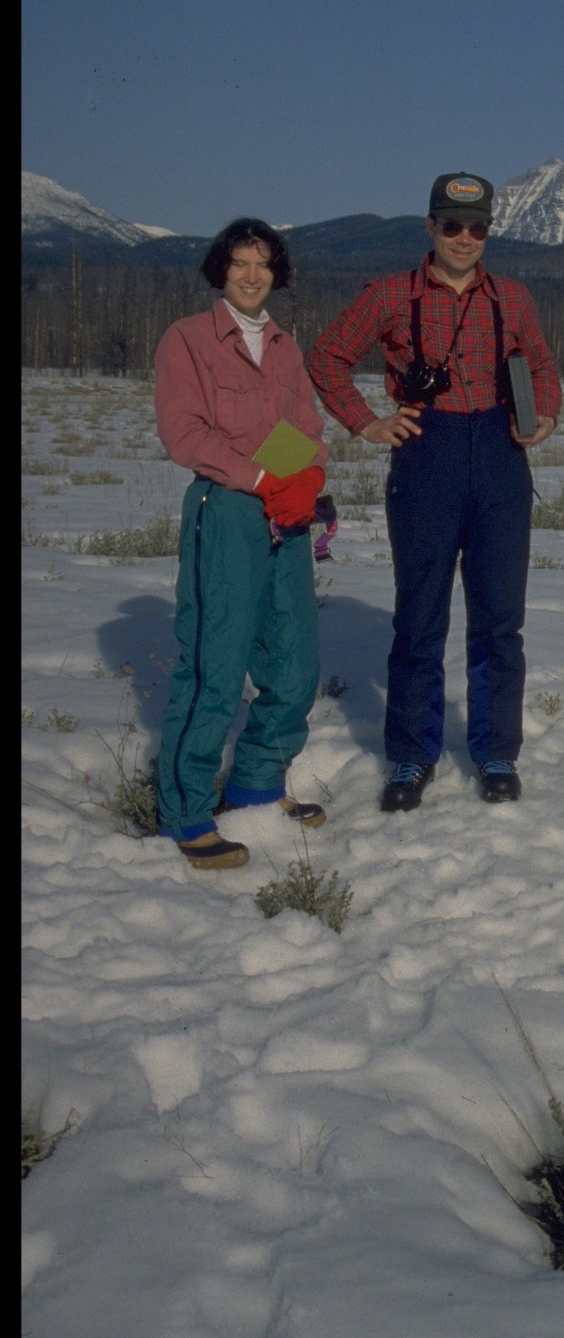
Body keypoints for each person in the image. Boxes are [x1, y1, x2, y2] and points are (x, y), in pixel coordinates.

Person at [306, 172, 560, 811]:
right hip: (426, 457)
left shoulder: (514, 297)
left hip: (501, 462)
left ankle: (496, 751)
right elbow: (327, 356)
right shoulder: (390, 294)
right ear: (429, 226)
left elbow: (544, 365)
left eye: (477, 228)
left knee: (501, 619)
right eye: (452, 225)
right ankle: (410, 757)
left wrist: (546, 415)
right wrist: (366, 421)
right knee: (419, 618)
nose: (465, 238)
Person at [155, 220, 328, 870]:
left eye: (263, 264)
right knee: (216, 660)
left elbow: (306, 426)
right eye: (240, 263)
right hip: (225, 508)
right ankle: (187, 806)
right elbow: (184, 431)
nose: (252, 275)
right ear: (219, 269)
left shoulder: (284, 346)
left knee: (294, 657)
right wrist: (260, 478)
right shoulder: (189, 339)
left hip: (284, 512)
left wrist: (298, 477)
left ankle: (257, 782)